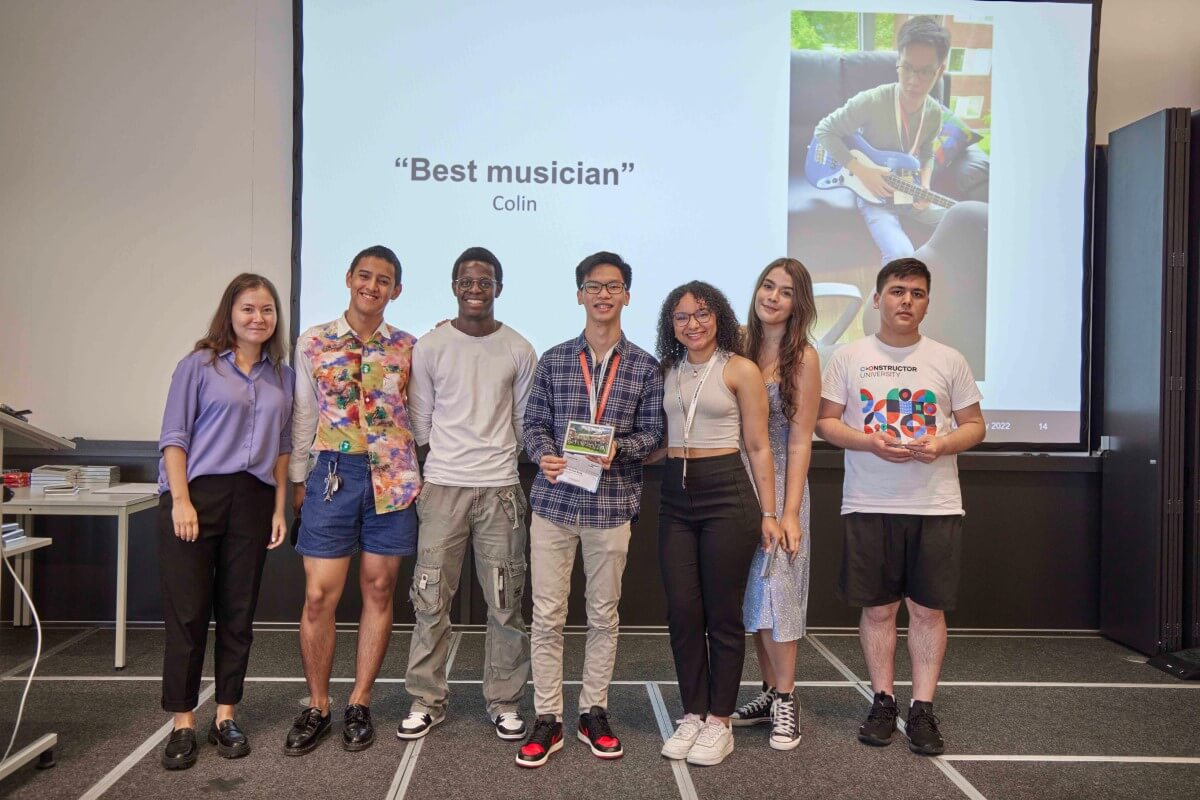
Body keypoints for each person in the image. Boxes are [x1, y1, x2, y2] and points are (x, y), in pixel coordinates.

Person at [815, 257, 985, 756]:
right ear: (878, 298)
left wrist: (942, 444)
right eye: (896, 291)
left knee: (928, 610)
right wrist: (869, 441)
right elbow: (826, 422)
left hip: (935, 503)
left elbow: (974, 425)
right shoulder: (849, 357)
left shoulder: (949, 359)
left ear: (927, 302)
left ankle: (923, 708)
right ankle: (883, 700)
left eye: (915, 292)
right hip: (868, 501)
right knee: (879, 607)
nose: (905, 300)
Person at [515, 252, 664, 768]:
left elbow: (653, 434)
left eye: (614, 286)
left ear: (627, 295)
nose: (604, 294)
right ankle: (548, 716)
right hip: (554, 503)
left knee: (604, 615)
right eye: (594, 286)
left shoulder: (645, 365)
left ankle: (593, 710)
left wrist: (617, 449)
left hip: (612, 506)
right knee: (547, 615)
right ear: (579, 294)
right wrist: (543, 454)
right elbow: (532, 423)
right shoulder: (555, 360)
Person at [285, 245, 420, 755]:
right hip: (332, 475)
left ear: (396, 290)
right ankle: (318, 704)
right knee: (320, 594)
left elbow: (419, 415)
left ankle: (359, 702)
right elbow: (303, 413)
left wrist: (412, 470)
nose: (372, 286)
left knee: (380, 590)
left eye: (384, 280)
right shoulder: (314, 341)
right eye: (364, 276)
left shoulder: (409, 347)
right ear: (348, 278)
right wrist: (300, 477)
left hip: (392, 478)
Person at [399, 247, 537, 742]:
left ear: (499, 287)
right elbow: (420, 420)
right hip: (442, 489)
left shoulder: (519, 348)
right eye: (466, 281)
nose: (475, 289)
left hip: (500, 489)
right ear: (454, 286)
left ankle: (504, 701)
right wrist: (449, 462)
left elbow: (524, 422)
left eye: (485, 281)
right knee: (431, 599)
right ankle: (425, 699)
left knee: (506, 602)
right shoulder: (432, 346)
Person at [156, 273, 293, 770]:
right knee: (189, 615)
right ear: (230, 313)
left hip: (254, 499)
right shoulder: (199, 366)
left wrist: (279, 508)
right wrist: (180, 500)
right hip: (197, 497)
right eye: (248, 309)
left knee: (238, 615)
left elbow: (281, 449)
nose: (258, 318)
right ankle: (183, 722)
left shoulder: (284, 375)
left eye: (267, 310)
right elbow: (174, 436)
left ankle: (226, 716)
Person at [655, 281, 782, 767]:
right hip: (675, 494)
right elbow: (660, 436)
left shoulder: (740, 369)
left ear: (719, 317)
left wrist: (770, 513)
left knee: (722, 615)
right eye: (682, 316)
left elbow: (758, 446)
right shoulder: (668, 370)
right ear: (672, 324)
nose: (693, 324)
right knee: (683, 610)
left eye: (702, 314)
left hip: (727, 493)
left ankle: (720, 720)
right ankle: (693, 712)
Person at [730, 258, 821, 751]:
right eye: (767, 285)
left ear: (797, 303)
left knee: (778, 594)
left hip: (783, 489)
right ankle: (768, 693)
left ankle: (787, 699)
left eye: (785, 292)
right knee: (753, 601)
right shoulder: (736, 344)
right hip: (736, 489)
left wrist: (788, 513)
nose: (772, 296)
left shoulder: (803, 358)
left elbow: (802, 439)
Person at [813, 15, 951, 266]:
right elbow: (824, 131)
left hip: (908, 190)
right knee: (901, 256)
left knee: (958, 218)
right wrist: (862, 171)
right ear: (898, 61)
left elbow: (927, 151)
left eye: (925, 72)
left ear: (940, 70)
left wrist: (926, 186)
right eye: (907, 67)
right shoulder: (873, 100)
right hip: (872, 194)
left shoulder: (934, 113)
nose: (913, 80)